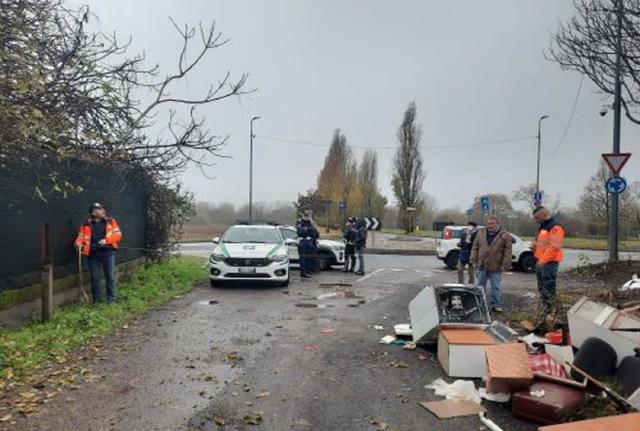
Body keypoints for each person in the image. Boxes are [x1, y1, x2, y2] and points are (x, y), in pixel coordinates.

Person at [74, 203, 122, 304]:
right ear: (92, 212)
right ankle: (96, 300)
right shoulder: (85, 224)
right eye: (95, 209)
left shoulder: (110, 222)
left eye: (100, 209)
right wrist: (78, 243)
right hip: (92, 254)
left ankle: (111, 299)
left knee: (110, 277)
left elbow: (118, 235)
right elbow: (81, 237)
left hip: (108, 253)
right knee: (95, 278)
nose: (98, 211)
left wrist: (106, 240)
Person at [470, 216, 512, 313]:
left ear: (498, 224)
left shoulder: (505, 235)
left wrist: (505, 264)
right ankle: (479, 304)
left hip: (496, 265)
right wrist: (473, 259)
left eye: (493, 223)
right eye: (489, 223)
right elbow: (475, 247)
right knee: (480, 286)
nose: (490, 225)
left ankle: (496, 305)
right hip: (482, 264)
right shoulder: (480, 233)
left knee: (495, 286)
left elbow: (508, 251)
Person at [532, 206, 565, 319]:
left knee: (548, 288)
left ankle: (551, 313)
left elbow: (554, 247)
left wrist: (543, 260)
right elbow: (541, 242)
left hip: (549, 263)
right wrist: (534, 247)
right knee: (542, 288)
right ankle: (546, 312)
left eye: (537, 217)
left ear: (543, 214)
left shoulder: (555, 227)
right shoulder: (543, 226)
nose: (536, 220)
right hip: (542, 262)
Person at [296, 212, 319, 278]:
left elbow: (316, 234)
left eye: (307, 216)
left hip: (309, 243)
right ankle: (303, 272)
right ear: (303, 217)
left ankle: (308, 271)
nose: (306, 218)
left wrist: (308, 230)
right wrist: (309, 230)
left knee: (309, 259)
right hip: (303, 243)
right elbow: (300, 232)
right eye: (305, 216)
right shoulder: (300, 224)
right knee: (303, 259)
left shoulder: (311, 224)